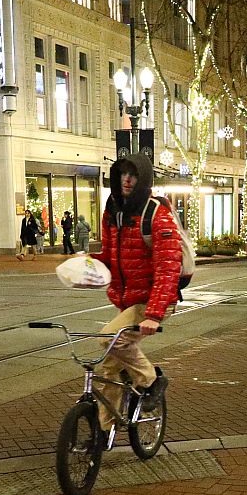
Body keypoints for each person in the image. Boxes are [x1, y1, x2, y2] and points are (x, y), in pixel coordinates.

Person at [89, 152, 180, 441]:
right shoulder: (113, 210)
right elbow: (110, 255)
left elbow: (168, 267)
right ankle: (104, 431)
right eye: (123, 174)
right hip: (128, 300)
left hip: (154, 300)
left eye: (134, 175)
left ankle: (151, 380)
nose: (127, 180)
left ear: (144, 180)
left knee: (109, 338)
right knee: (108, 368)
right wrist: (88, 265)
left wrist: (154, 314)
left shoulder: (157, 214)